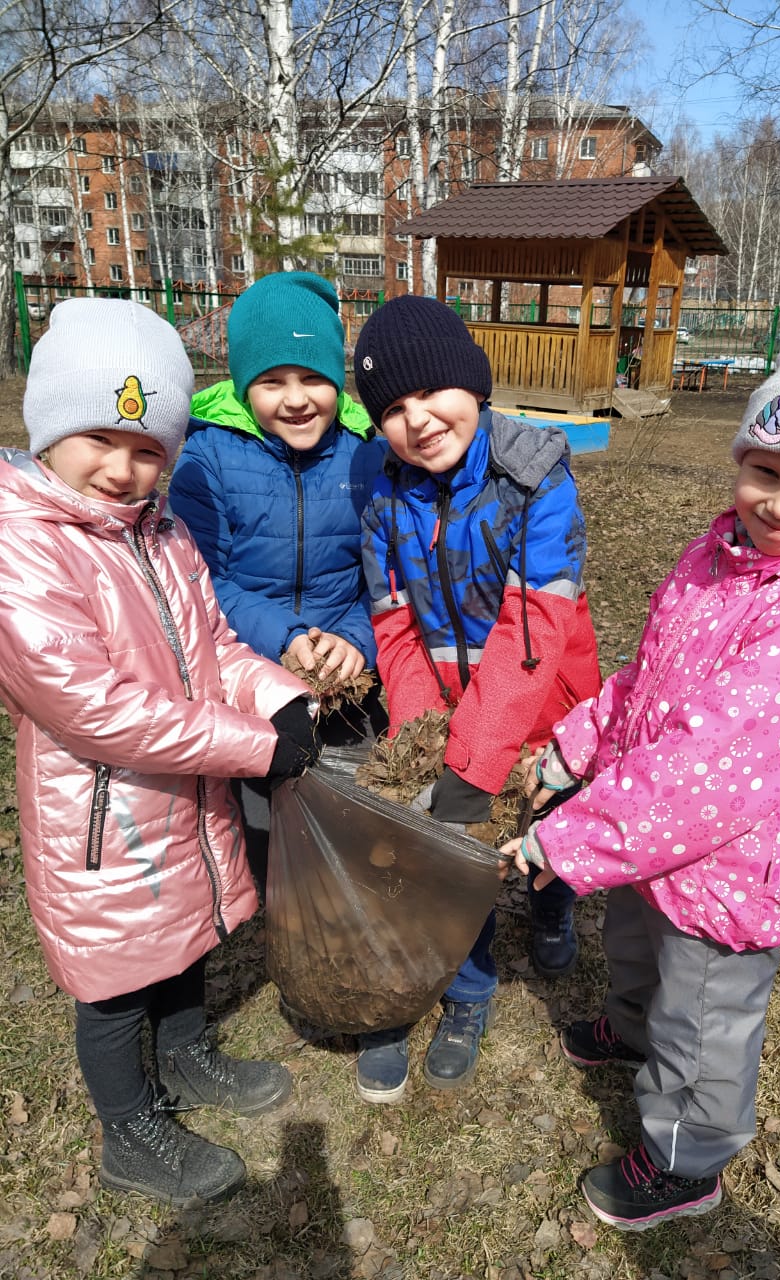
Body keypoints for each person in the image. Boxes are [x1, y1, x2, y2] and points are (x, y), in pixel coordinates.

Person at [500, 307, 780, 1231]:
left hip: (725, 868)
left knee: (702, 1023)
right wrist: (582, 741)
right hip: (651, 845)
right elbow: (652, 678)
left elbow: (704, 772)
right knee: (636, 947)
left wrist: (568, 835)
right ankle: (626, 1026)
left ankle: (686, 1160)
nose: (779, 503)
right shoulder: (718, 557)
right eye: (765, 470)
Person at [0, 299, 323, 1207]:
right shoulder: (24, 547)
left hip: (180, 789)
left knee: (184, 938)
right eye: (100, 438)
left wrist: (283, 699)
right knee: (111, 981)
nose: (123, 467)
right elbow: (93, 708)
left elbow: (215, 644)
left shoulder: (162, 532)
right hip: (102, 815)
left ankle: (187, 1058)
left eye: (149, 448)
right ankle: (129, 1130)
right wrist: (254, 747)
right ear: (49, 431)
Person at [353, 295, 601, 1102]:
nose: (417, 420)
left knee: (545, 822)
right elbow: (393, 625)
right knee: (460, 847)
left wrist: (480, 755)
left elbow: (533, 629)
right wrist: (431, 737)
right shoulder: (386, 498)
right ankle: (469, 992)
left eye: (431, 393)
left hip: (543, 700)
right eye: (392, 408)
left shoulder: (536, 477)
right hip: (456, 706)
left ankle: (555, 904)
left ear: (474, 381)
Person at [168, 271, 388, 899]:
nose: (295, 399)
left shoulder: (364, 456)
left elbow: (382, 576)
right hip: (250, 672)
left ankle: (345, 910)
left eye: (313, 377)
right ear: (243, 385)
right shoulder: (207, 459)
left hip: (344, 679)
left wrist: (355, 640)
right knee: (267, 824)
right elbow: (202, 584)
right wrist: (285, 637)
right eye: (271, 381)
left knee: (349, 812)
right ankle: (284, 914)